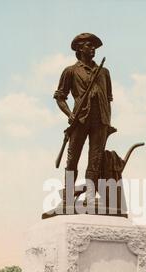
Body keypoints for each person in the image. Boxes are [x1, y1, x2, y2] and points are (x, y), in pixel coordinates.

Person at [54, 33, 115, 205]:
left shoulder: (104, 72)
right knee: (72, 159)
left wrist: (107, 122)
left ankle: (89, 195)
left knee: (95, 160)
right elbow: (60, 97)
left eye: (94, 46)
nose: (93, 48)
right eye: (89, 45)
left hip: (100, 121)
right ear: (80, 49)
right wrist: (70, 114)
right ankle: (68, 198)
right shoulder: (70, 71)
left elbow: (108, 99)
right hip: (80, 120)